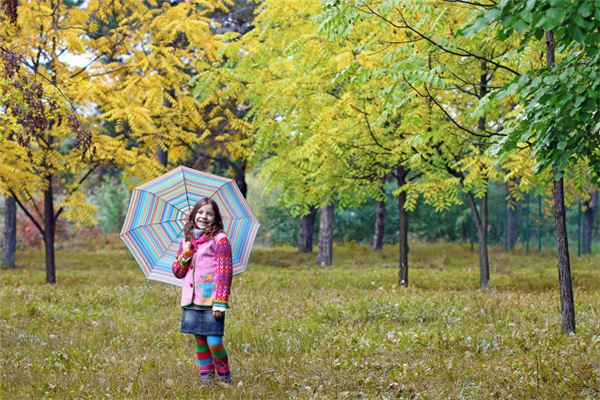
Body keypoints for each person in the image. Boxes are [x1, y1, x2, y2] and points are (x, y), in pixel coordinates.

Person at [172, 197, 233, 384]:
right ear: (193, 215)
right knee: (200, 340)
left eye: (209, 213)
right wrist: (186, 254)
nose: (204, 216)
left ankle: (225, 378)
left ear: (215, 218)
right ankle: (207, 379)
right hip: (191, 300)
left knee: (214, 342)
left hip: (211, 300)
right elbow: (178, 272)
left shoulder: (220, 240)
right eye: (200, 212)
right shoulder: (186, 242)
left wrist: (220, 302)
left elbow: (225, 272)